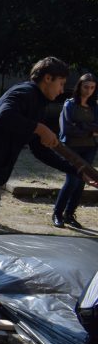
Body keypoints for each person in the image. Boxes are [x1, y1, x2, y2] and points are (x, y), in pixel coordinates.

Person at [0, 57, 98, 295]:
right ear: (47, 78)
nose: (62, 89)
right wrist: (39, 128)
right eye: (61, 83)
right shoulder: (23, 93)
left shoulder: (37, 103)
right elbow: (4, 116)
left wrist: (76, 170)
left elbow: (40, 150)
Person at [52, 73, 98, 228]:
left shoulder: (94, 107)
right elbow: (67, 129)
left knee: (81, 183)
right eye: (86, 87)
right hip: (71, 148)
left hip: (89, 148)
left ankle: (70, 214)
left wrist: (81, 126)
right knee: (72, 181)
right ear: (79, 86)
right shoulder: (69, 105)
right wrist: (90, 130)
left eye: (92, 87)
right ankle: (57, 213)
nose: (89, 91)